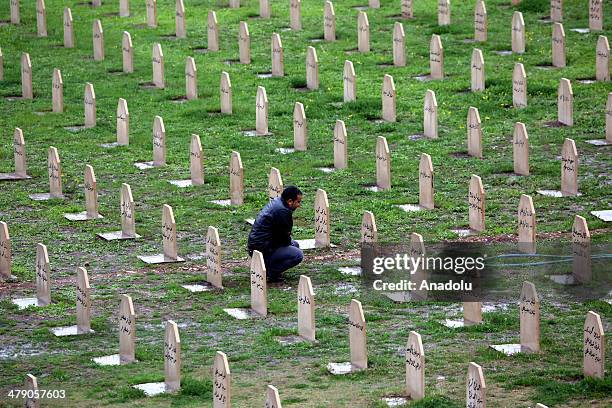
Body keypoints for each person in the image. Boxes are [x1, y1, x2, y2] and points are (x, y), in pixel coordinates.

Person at [248, 186, 304, 281]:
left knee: (295, 245)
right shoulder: (282, 211)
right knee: (298, 255)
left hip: (261, 245)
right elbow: (284, 237)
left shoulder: (279, 203)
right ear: (290, 201)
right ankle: (269, 272)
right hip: (262, 249)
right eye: (298, 202)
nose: (299, 205)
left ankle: (268, 265)